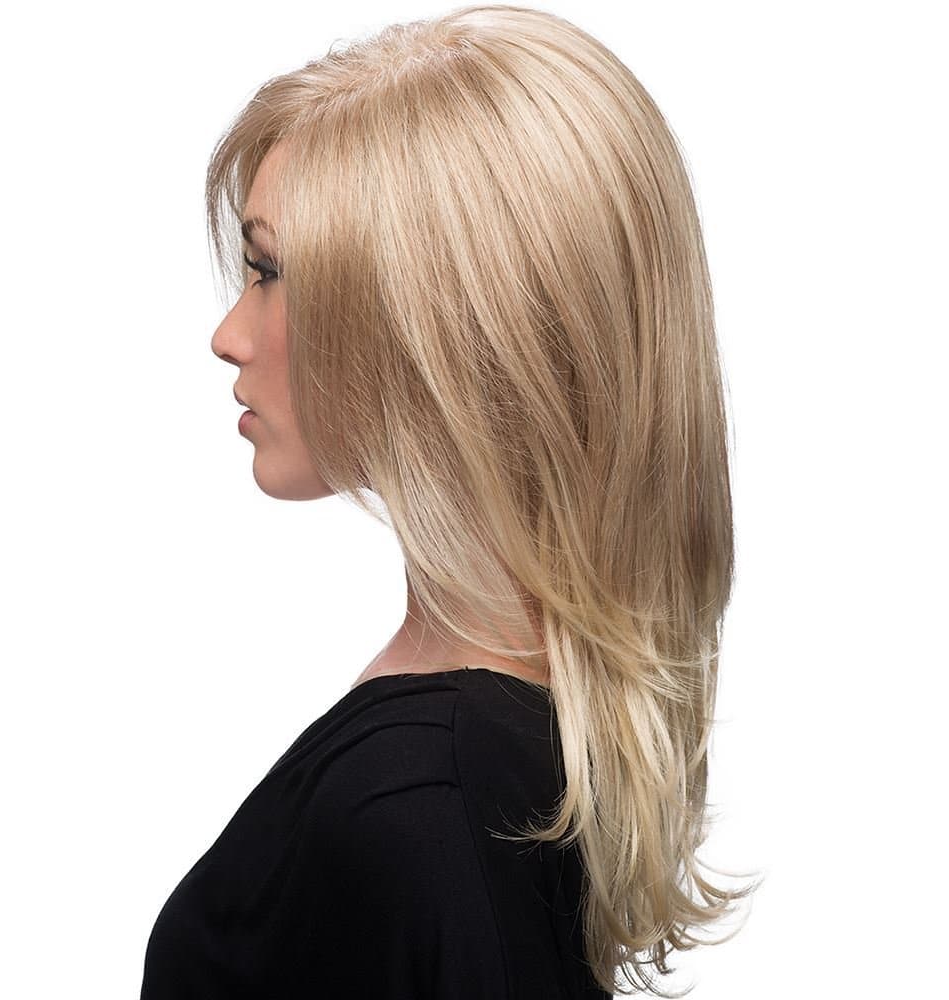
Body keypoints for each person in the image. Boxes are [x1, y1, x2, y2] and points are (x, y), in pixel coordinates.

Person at [139, 5, 761, 997]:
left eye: (269, 272)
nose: (229, 334)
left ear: (430, 326)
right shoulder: (481, 764)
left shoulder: (425, 804)